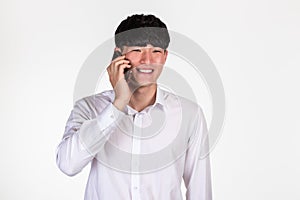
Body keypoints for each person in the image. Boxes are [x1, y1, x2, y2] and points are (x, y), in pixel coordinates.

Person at [56, 14, 212, 200]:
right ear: (118, 54)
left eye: (156, 51)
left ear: (165, 57)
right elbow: (68, 165)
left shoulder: (189, 114)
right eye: (137, 50)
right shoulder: (89, 108)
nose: (147, 60)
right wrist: (118, 103)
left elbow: (199, 189)